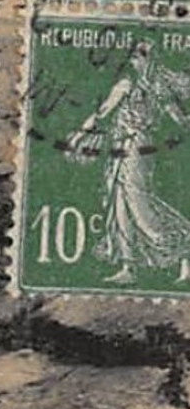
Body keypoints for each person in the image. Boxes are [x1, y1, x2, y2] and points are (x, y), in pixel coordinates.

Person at [64, 39, 190, 285]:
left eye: (138, 55)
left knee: (139, 202)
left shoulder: (142, 85)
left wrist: (80, 134)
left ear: (147, 58)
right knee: (119, 202)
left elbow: (102, 113)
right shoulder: (147, 85)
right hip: (121, 145)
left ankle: (184, 248)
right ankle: (128, 266)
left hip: (136, 146)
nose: (133, 59)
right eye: (133, 54)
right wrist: (81, 133)